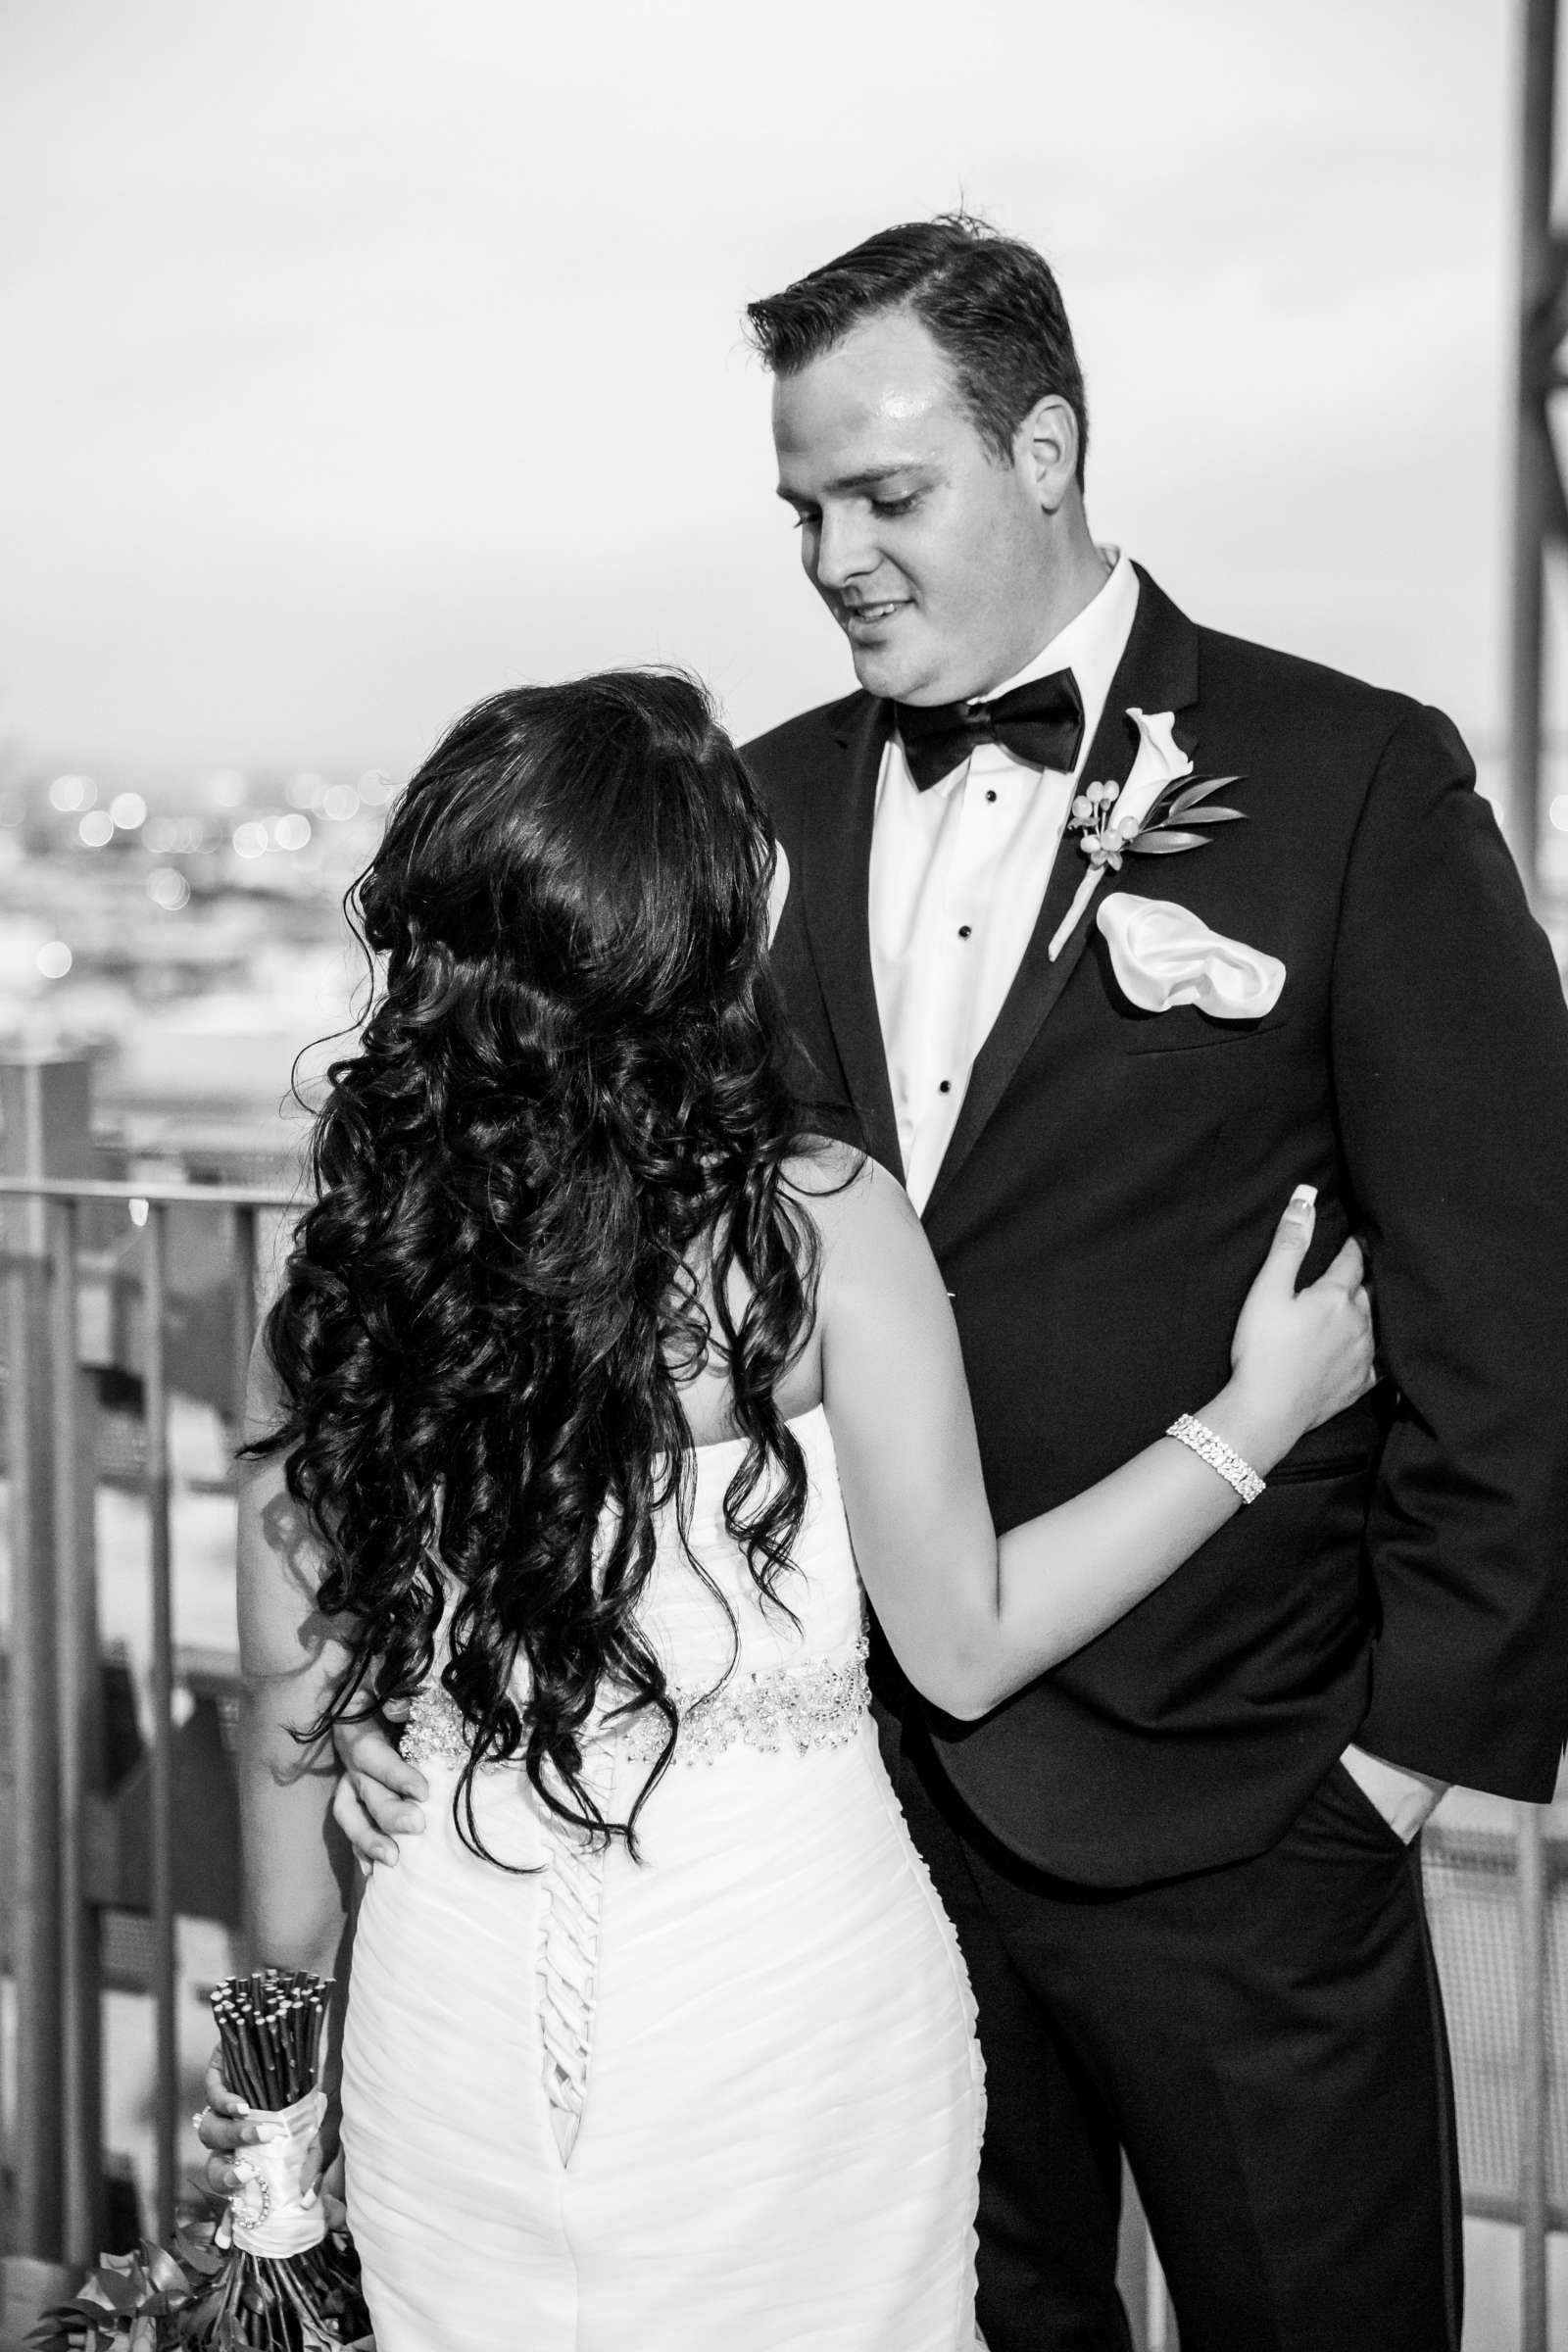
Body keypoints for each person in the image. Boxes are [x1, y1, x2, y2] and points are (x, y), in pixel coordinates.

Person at [318, 219, 1568, 2350]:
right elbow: (599, 1271)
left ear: (1048, 449)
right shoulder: (760, 809)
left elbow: (1510, 1284)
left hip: (1243, 1810)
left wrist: (1397, 1768)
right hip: (850, 1839)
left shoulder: (1349, 782)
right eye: (803, 509)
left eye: (885, 497)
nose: (834, 556)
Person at [204, 667, 1371, 2352]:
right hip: (782, 2018)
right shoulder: (817, 1230)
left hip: (444, 2011)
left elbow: (290, 1725)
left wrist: (276, 2126)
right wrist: (1257, 1417)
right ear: (701, 944)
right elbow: (961, 1649)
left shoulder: (337, 1287)